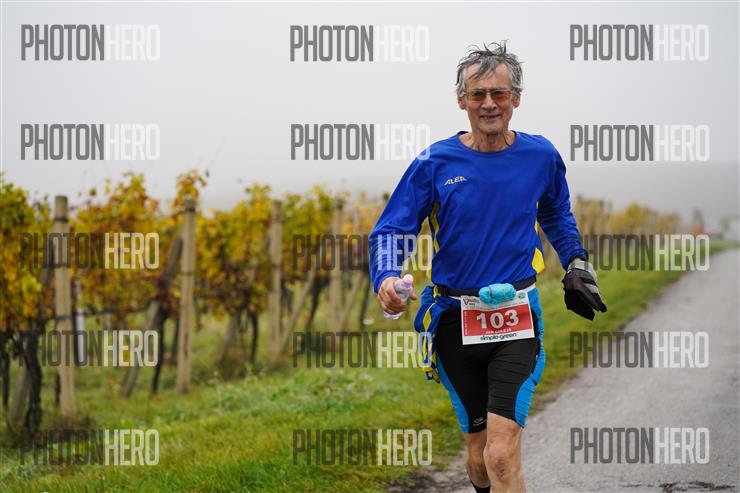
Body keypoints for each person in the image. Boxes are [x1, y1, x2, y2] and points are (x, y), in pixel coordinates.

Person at [368, 42, 606, 492]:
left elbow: (556, 212)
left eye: (499, 93)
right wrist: (385, 276)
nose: (489, 104)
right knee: (478, 457)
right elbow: (392, 229)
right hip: (454, 320)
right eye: (478, 94)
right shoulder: (434, 162)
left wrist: (576, 260)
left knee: (501, 452)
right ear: (462, 100)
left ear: (516, 98)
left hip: (517, 314)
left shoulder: (540, 156)